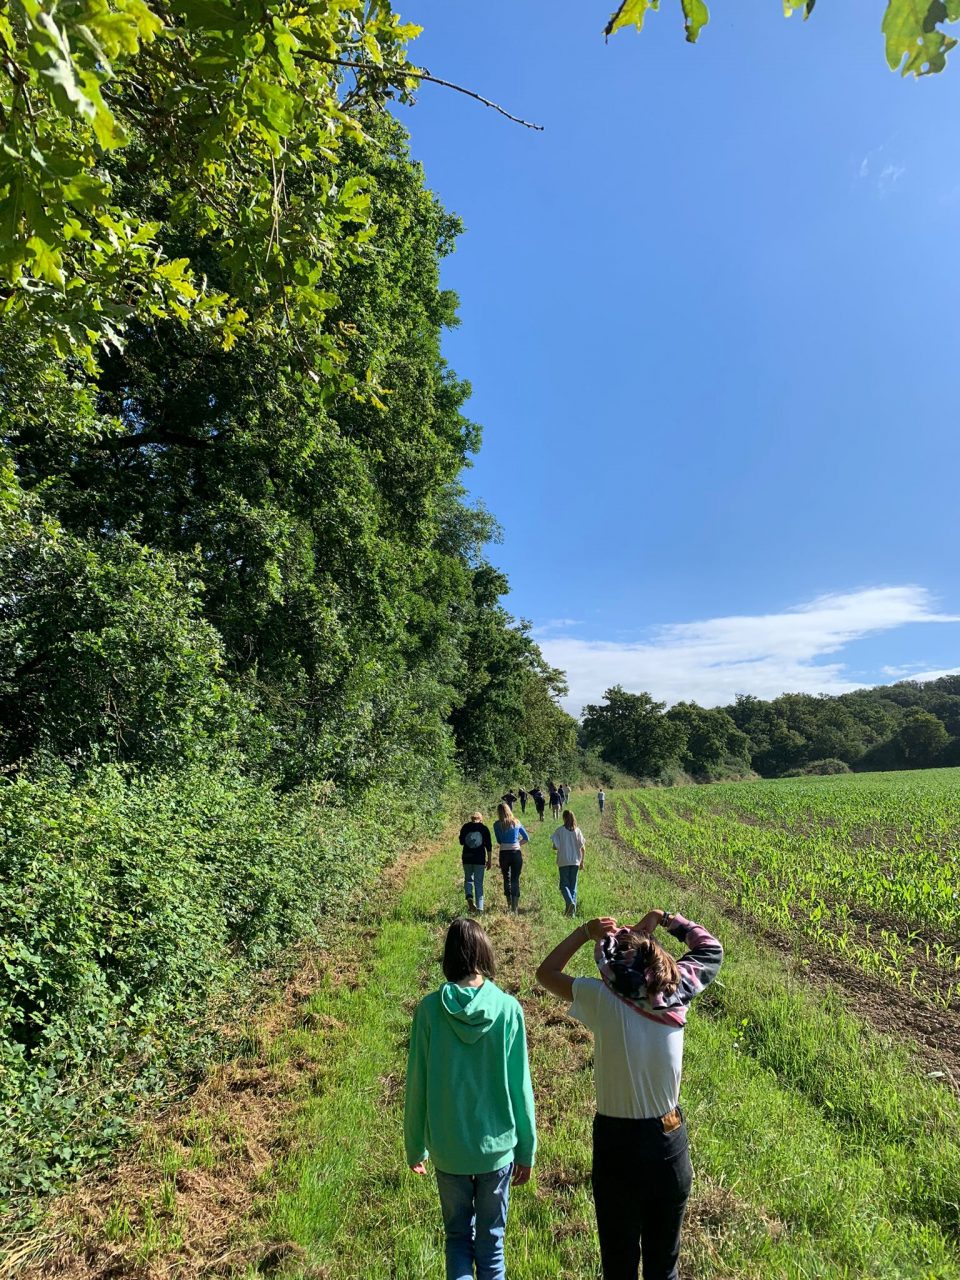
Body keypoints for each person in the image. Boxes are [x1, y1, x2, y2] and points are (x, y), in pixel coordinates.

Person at [535, 910, 723, 1280]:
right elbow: (710, 947)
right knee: (663, 1267)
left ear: (611, 969)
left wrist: (583, 932)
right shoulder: (676, 989)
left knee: (619, 1267)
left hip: (618, 1145)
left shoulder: (601, 997)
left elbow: (545, 973)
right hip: (670, 1142)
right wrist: (663, 918)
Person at [405, 918, 536, 1280]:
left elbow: (417, 1083)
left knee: (458, 1238)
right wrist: (526, 1148)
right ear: (485, 953)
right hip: (497, 1152)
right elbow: (520, 1086)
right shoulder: (509, 1009)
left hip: (449, 1151)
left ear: (449, 958)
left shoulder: (429, 1011)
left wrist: (415, 1147)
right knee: (491, 1243)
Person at [493, 803, 529, 914]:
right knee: (515, 879)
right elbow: (526, 838)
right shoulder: (516, 822)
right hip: (516, 852)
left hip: (504, 853)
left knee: (506, 878)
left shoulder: (497, 824)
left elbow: (499, 841)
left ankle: (508, 903)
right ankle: (515, 906)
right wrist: (517, 843)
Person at [551, 809, 585, 917]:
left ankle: (570, 903)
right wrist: (582, 861)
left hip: (564, 861)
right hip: (575, 861)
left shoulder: (559, 831)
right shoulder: (577, 831)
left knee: (563, 885)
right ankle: (571, 914)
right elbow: (583, 848)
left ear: (564, 818)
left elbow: (555, 846)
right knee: (573, 887)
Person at [458, 811, 493, 913]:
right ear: (481, 819)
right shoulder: (484, 828)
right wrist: (489, 860)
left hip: (467, 858)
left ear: (471, 818)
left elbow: (461, 842)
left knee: (468, 879)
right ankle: (480, 908)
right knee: (479, 883)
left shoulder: (465, 827)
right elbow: (489, 846)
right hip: (479, 859)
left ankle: (469, 897)